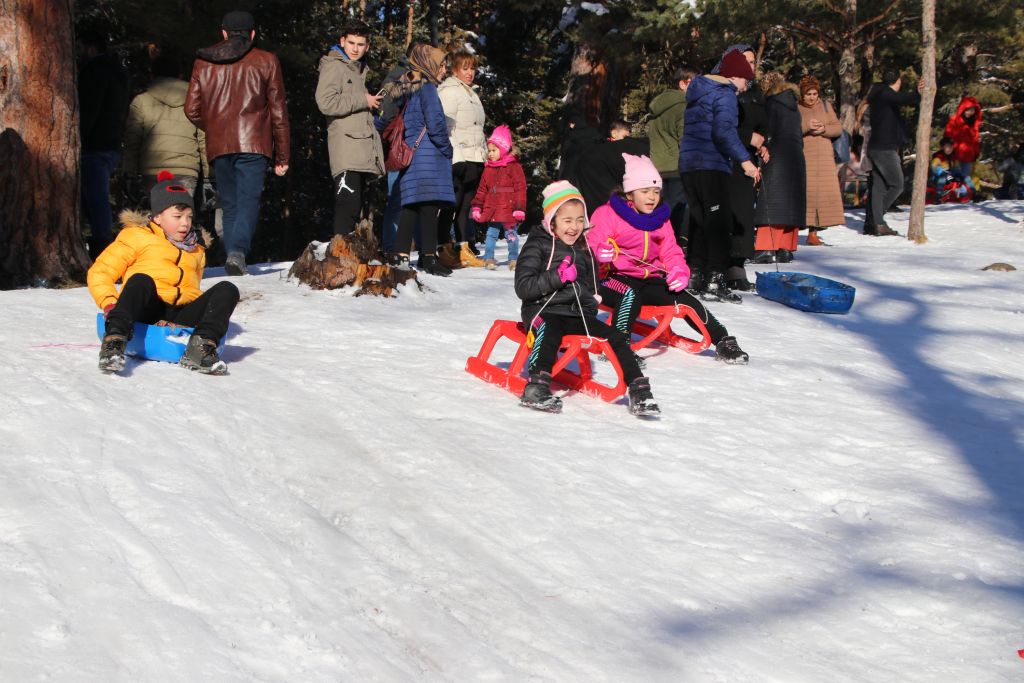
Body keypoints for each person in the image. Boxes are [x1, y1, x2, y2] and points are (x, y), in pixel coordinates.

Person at [586, 154, 749, 366]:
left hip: (649, 279)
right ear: (629, 193)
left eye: (656, 191)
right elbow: (591, 243)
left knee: (684, 298)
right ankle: (619, 347)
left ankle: (722, 340)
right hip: (612, 279)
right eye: (645, 192)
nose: (651, 197)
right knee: (629, 294)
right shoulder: (607, 213)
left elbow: (671, 251)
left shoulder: (660, 218)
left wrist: (680, 271)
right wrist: (600, 251)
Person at [514, 181, 660, 416]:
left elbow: (592, 290)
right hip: (542, 310)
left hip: (575, 313)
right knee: (548, 330)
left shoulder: (584, 249)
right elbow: (523, 287)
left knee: (615, 336)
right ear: (552, 220)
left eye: (580, 220)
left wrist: (589, 307)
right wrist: (557, 277)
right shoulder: (538, 244)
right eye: (568, 221)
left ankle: (638, 387)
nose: (574, 227)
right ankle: (537, 386)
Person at [89, 171, 240, 375]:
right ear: (158, 217)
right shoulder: (137, 237)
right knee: (141, 280)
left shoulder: (196, 248)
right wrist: (109, 303)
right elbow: (100, 272)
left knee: (227, 289)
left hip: (181, 314)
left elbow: (191, 287)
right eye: (177, 216)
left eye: (189, 217)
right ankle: (114, 340)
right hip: (147, 308)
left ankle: (201, 346)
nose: (185, 223)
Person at [185, 10, 291, 275]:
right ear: (253, 34)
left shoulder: (203, 62)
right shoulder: (266, 60)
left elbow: (191, 109)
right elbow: (278, 111)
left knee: (230, 203)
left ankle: (234, 256)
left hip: (219, 145)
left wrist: (215, 126)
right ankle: (237, 253)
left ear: (223, 33)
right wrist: (283, 155)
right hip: (254, 143)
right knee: (248, 200)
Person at [678, 48, 760, 304]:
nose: (747, 85)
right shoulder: (725, 96)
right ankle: (715, 279)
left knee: (701, 221)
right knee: (719, 224)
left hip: (689, 165)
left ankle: (696, 275)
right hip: (711, 164)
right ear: (735, 76)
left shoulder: (699, 91)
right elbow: (724, 132)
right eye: (747, 79)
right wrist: (746, 161)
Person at [386, 44, 455, 276]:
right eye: (442, 65)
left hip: (413, 154)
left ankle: (400, 254)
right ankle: (428, 257)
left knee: (412, 206)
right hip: (428, 156)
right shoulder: (428, 90)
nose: (444, 70)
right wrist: (447, 149)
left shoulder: (409, 88)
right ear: (429, 65)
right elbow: (435, 124)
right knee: (428, 206)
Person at [315, 19, 385, 237]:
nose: (355, 49)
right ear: (342, 41)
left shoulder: (357, 70)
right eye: (351, 43)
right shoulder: (334, 66)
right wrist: (363, 100)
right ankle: (339, 258)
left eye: (360, 44)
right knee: (348, 205)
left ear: (367, 46)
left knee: (354, 208)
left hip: (359, 148)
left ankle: (347, 256)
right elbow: (325, 102)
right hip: (346, 148)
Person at [714, 45, 768, 292]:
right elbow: (717, 126)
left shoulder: (754, 92)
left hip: (746, 161)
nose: (750, 66)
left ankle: (737, 266)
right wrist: (749, 137)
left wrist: (764, 143)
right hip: (722, 160)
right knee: (723, 214)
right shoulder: (719, 90)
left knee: (743, 215)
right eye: (745, 61)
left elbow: (763, 124)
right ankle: (716, 267)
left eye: (753, 61)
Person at [77, 29, 130, 259]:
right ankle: (100, 241)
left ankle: (102, 246)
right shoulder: (117, 72)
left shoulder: (95, 71)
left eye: (79, 47)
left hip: (94, 144)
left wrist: (80, 136)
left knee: (95, 199)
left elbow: (90, 108)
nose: (77, 52)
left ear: (91, 48)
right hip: (110, 142)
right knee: (95, 197)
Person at [122, 54, 208, 195]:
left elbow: (132, 142)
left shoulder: (141, 101)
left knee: (156, 215)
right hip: (186, 170)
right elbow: (204, 141)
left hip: (151, 171)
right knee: (180, 215)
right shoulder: (195, 102)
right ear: (180, 76)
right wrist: (209, 176)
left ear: (152, 76)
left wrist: (128, 173)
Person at [437, 51, 488, 268]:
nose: (470, 73)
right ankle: (444, 248)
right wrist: (457, 158)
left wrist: (483, 156)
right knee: (451, 205)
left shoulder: (472, 94)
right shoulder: (449, 92)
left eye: (472, 68)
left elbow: (478, 128)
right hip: (459, 158)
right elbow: (446, 127)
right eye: (465, 68)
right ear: (455, 70)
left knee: (465, 207)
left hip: (475, 158)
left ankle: (463, 247)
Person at [752, 73, 806, 264]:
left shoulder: (772, 103)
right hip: (796, 156)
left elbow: (767, 131)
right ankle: (785, 248)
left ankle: (766, 247)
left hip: (778, 154)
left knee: (772, 200)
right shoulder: (794, 106)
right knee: (790, 203)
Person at [862, 67, 920, 236]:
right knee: (897, 184)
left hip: (877, 147)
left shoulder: (878, 93)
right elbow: (903, 98)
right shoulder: (886, 94)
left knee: (879, 187)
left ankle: (878, 223)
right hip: (884, 148)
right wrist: (918, 92)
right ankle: (876, 218)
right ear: (898, 81)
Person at [648, 65, 697, 243]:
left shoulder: (657, 107)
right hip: (677, 167)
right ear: (683, 84)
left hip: (657, 168)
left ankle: (657, 245)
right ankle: (672, 247)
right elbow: (686, 139)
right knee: (676, 213)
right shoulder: (683, 107)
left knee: (659, 210)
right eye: (694, 82)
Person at [797, 75, 845, 246]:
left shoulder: (825, 106)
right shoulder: (796, 108)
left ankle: (813, 232)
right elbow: (791, 129)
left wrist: (824, 129)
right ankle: (797, 228)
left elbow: (837, 128)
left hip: (824, 157)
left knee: (821, 196)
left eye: (815, 94)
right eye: (808, 94)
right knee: (806, 194)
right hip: (805, 155)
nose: (812, 97)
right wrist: (806, 127)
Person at [470, 126, 526, 270]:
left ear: (504, 149)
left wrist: (519, 208)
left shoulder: (513, 166)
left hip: (509, 207)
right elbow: (482, 189)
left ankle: (513, 259)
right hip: (492, 208)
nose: (490, 154)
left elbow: (520, 188)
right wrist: (477, 206)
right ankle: (489, 258)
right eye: (489, 150)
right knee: (491, 234)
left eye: (494, 150)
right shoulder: (488, 168)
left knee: (511, 235)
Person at [574, 121, 649, 217]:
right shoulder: (608, 151)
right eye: (625, 137)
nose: (626, 141)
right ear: (613, 133)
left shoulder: (597, 150)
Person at [944, 95, 983, 194]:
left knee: (965, 176)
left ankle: (971, 194)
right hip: (955, 154)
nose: (970, 112)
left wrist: (976, 152)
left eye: (973, 110)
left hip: (968, 155)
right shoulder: (954, 121)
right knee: (955, 176)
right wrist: (949, 150)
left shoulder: (974, 123)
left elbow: (975, 140)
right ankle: (951, 194)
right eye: (968, 110)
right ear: (963, 109)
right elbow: (948, 136)